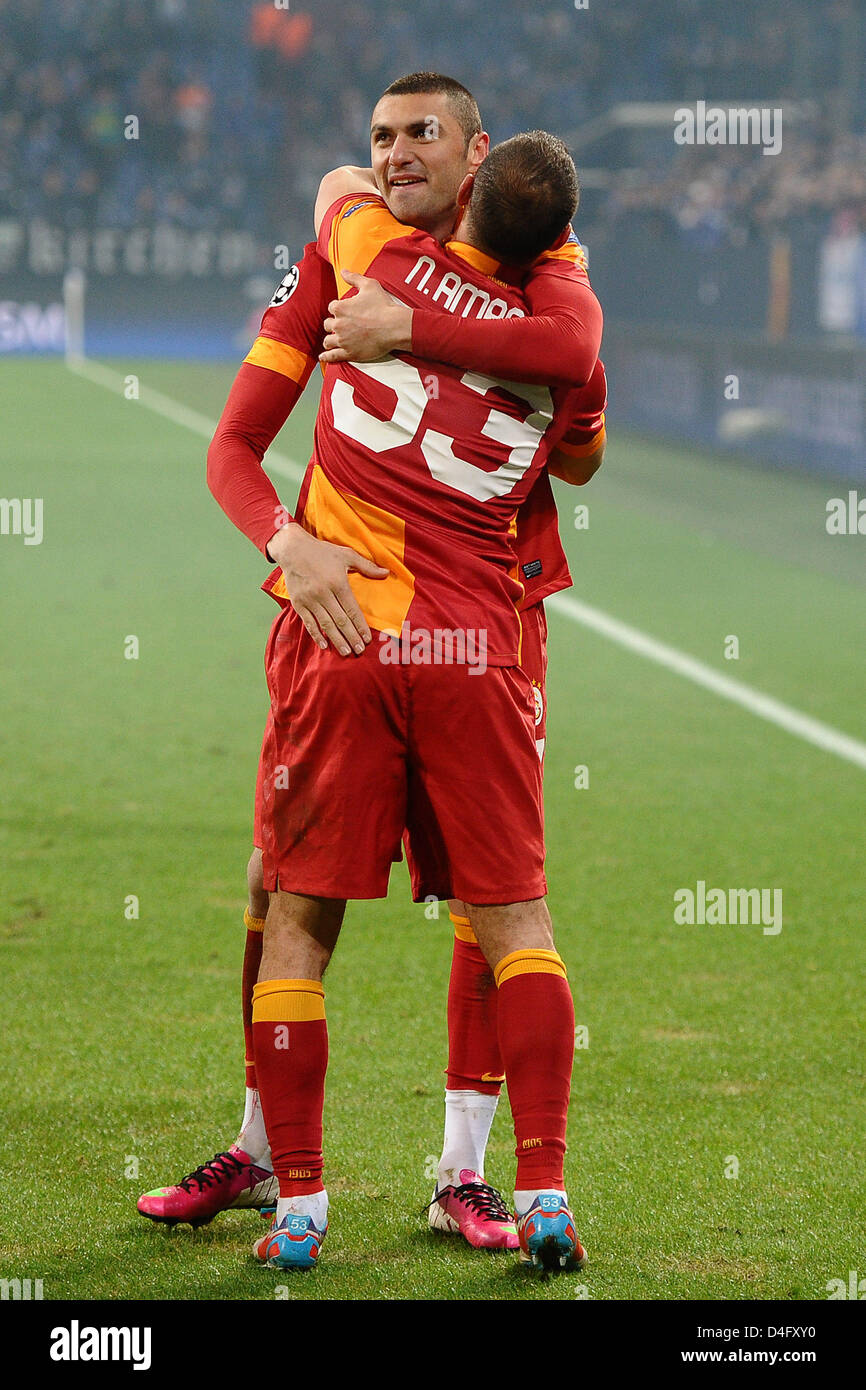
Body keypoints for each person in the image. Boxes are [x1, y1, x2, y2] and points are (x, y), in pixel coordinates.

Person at [137, 74, 604, 1257]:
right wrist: (285, 541)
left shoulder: (472, 264)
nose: (392, 154)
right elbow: (236, 444)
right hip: (377, 615)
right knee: (283, 877)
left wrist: (407, 326)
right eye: (380, 137)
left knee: (470, 897)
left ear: (477, 152)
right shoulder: (370, 260)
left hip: (480, 615)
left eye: (421, 135)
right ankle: (260, 1148)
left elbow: (570, 387)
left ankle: (455, 1174)